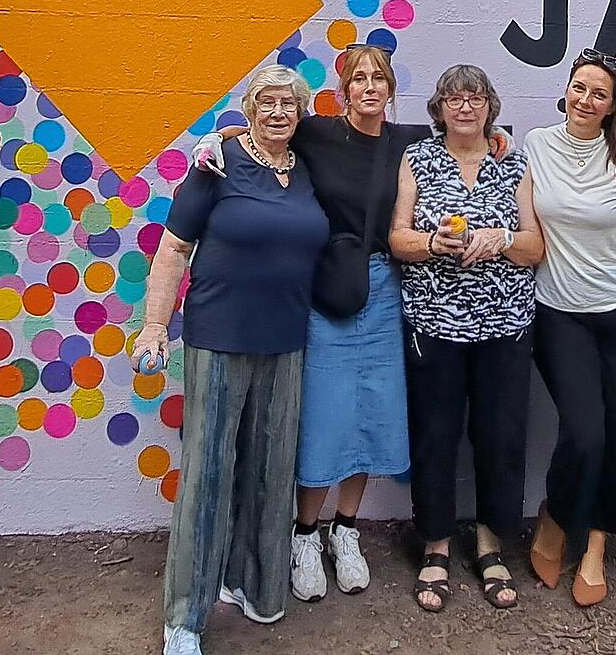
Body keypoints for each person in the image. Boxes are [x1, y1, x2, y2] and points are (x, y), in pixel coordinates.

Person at [193, 45, 427, 600]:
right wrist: (215, 138)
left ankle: (346, 531)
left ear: (391, 88)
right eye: (359, 78)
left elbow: (466, 136)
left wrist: (496, 140)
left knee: (374, 413)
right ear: (343, 89)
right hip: (328, 291)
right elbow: (260, 129)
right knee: (324, 414)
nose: (369, 86)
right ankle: (305, 534)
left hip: (384, 289)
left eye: (380, 78)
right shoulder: (317, 132)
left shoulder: (407, 143)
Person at [134, 66, 329, 655]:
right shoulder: (214, 162)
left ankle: (253, 585)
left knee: (271, 468)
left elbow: (377, 143)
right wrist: (152, 327)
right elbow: (173, 249)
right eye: (266, 103)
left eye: (288, 104)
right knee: (209, 470)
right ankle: (185, 618)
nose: (277, 113)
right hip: (218, 336)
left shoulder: (308, 170)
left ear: (299, 114)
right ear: (248, 110)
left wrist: (489, 136)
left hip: (286, 339)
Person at [520, 48, 616, 608]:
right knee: (585, 431)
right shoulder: (536, 146)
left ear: (612, 106)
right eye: (579, 88)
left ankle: (595, 549)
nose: (585, 100)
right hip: (559, 311)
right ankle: (556, 519)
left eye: (599, 94)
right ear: (566, 91)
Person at [387, 64, 543, 613]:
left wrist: (500, 238)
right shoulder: (418, 160)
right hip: (435, 325)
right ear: (439, 108)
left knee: (500, 436)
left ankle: (491, 542)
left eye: (475, 97)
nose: (465, 107)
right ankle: (435, 544)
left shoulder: (514, 162)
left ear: (490, 107)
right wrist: (434, 244)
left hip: (505, 327)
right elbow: (396, 239)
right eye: (453, 98)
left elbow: (534, 248)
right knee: (435, 436)